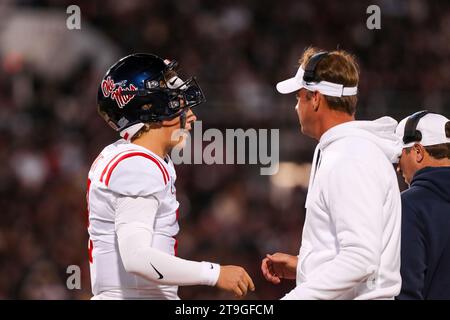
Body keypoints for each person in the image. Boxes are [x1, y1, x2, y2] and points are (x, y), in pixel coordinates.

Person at [87, 53, 254, 299]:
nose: (192, 116)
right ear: (149, 109)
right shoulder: (137, 165)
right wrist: (214, 273)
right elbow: (137, 258)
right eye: (177, 104)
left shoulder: (131, 157)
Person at [261, 47, 402, 299]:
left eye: (299, 97)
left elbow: (361, 258)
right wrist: (305, 266)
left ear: (315, 98)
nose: (296, 107)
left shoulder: (351, 156)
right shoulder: (347, 151)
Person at [395, 111, 450, 299]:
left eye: (399, 155)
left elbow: (406, 290)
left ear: (418, 151)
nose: (398, 166)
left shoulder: (409, 205)